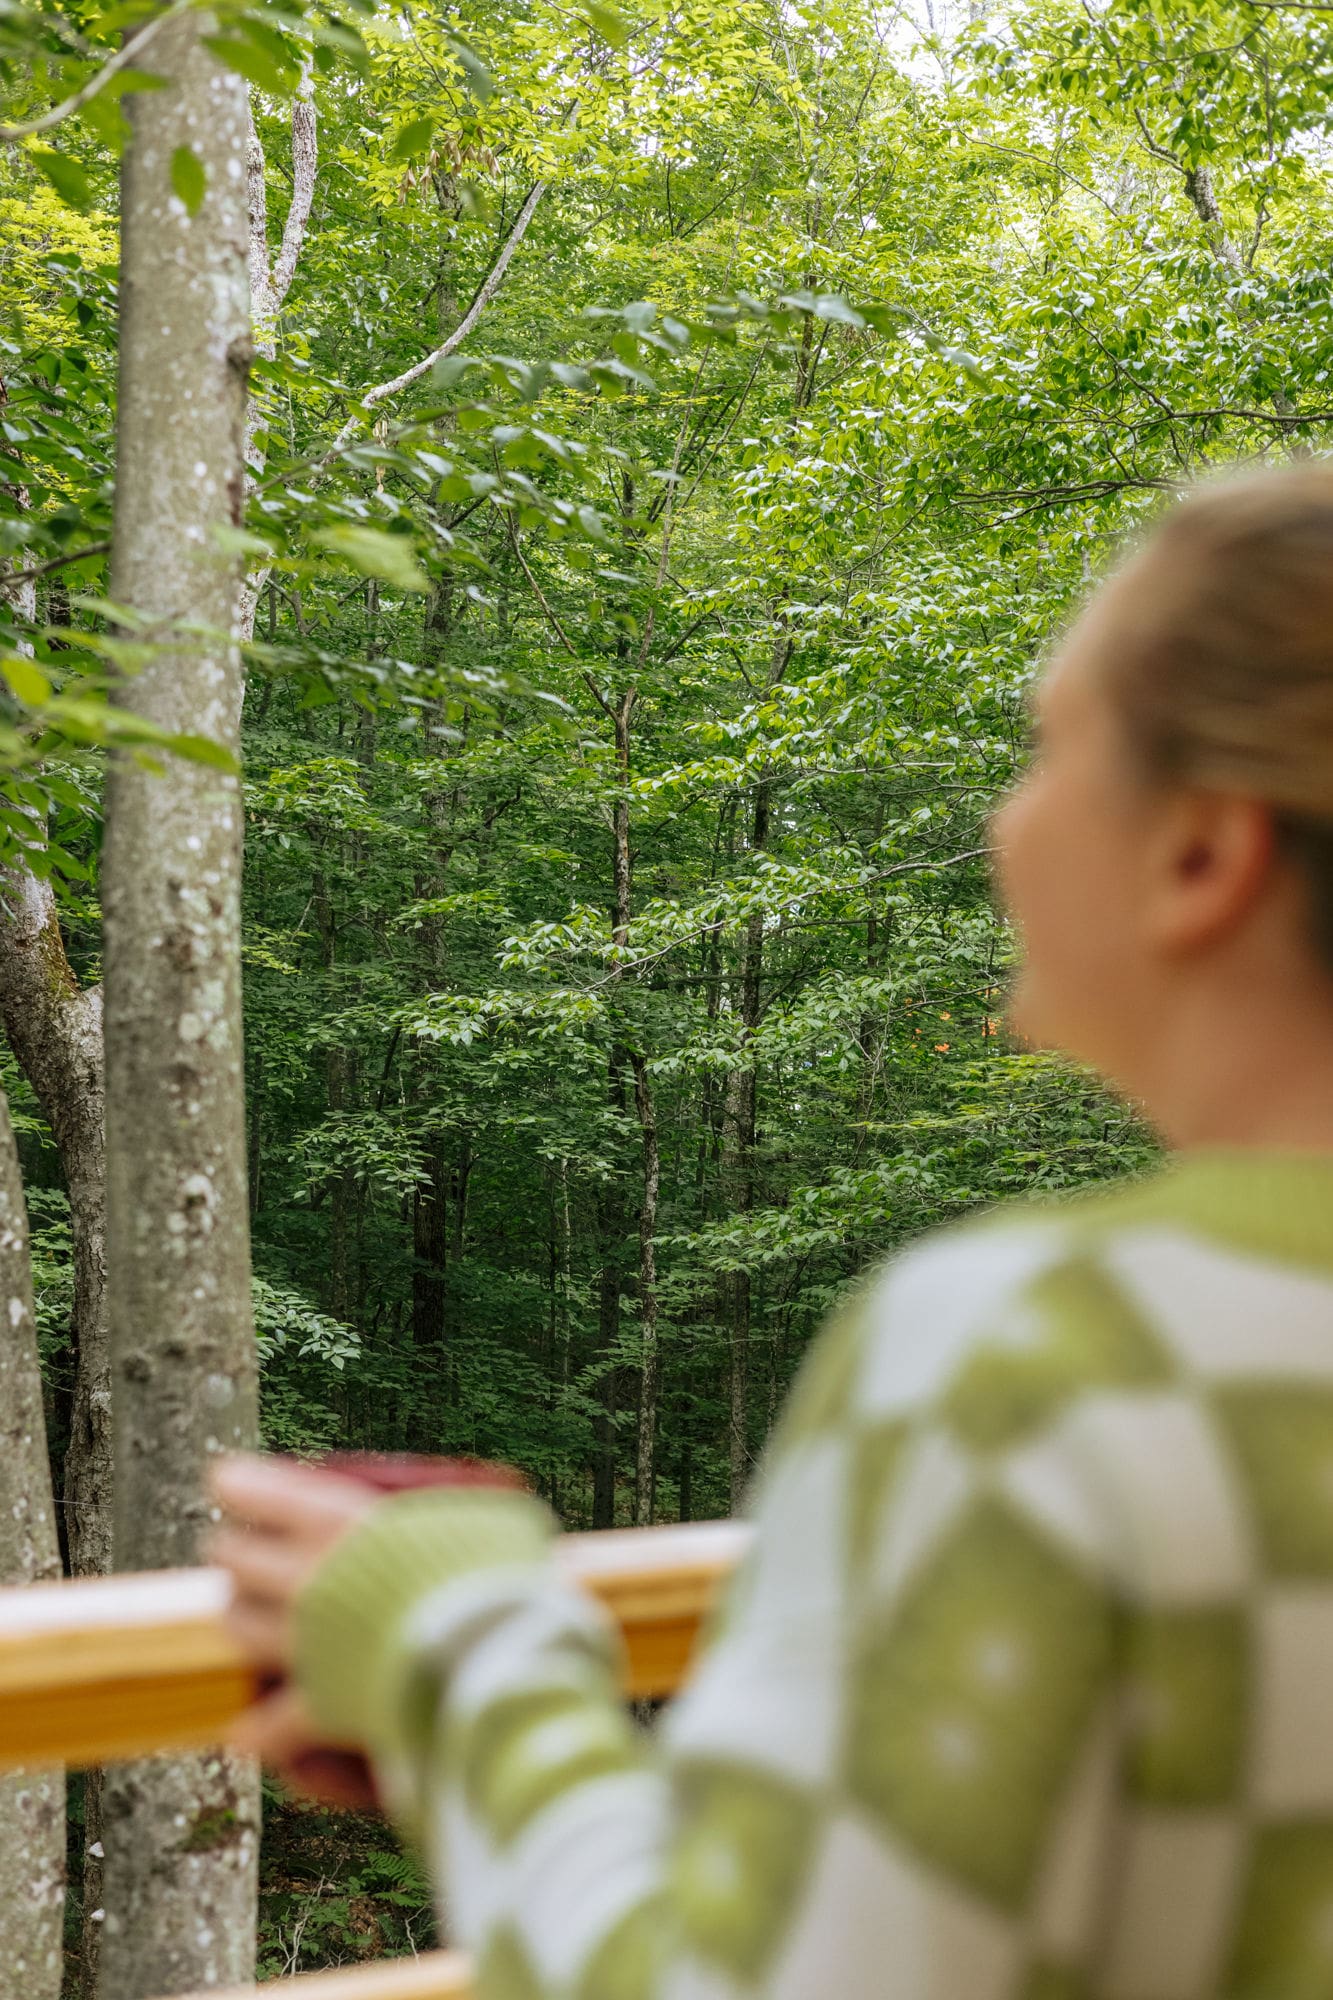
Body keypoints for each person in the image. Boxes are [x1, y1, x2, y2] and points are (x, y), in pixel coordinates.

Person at [213, 464, 1333, 2000]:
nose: (1004, 820)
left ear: (1200, 855)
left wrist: (453, 1638)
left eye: (1047, 750)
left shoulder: (1043, 1359)